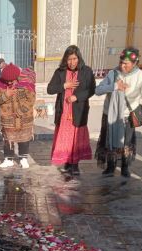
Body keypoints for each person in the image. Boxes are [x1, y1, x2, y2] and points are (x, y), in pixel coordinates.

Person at [95, 47, 142, 177]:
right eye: (121, 62)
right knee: (110, 140)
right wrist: (115, 86)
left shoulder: (141, 76)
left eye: (126, 63)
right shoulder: (113, 73)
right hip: (110, 114)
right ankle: (110, 166)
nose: (122, 65)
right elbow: (98, 90)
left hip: (128, 115)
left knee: (126, 142)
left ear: (135, 63)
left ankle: (125, 167)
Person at [47, 45, 96, 175]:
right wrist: (65, 85)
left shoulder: (86, 71)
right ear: (65, 59)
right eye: (69, 59)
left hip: (78, 111)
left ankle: (75, 165)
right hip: (63, 113)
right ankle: (67, 163)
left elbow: (91, 90)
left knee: (76, 138)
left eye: (74, 59)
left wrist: (76, 97)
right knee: (66, 139)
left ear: (79, 58)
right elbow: (50, 89)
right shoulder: (60, 72)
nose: (72, 62)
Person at [0, 65, 36, 169]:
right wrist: (6, 95)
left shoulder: (26, 82)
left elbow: (31, 99)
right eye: (7, 81)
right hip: (8, 118)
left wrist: (21, 111)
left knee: (24, 137)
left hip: (24, 117)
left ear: (17, 77)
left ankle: (23, 158)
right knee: (8, 139)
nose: (8, 83)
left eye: (11, 81)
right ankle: (8, 159)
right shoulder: (0, 84)